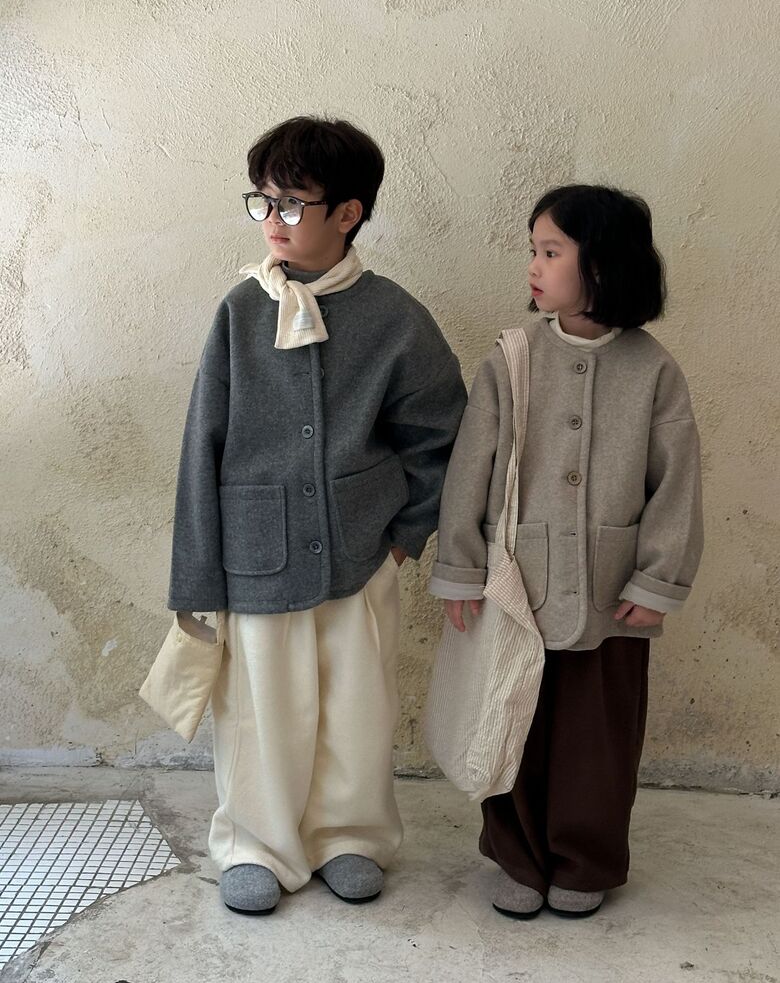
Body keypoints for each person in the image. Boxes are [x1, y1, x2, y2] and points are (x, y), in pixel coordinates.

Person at [168, 116, 467, 914]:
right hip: (255, 554)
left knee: (357, 708)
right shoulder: (240, 311)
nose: (273, 219)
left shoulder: (395, 317)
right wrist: (196, 578)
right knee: (258, 710)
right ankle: (255, 844)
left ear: (348, 213)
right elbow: (202, 446)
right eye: (262, 200)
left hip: (360, 555)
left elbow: (445, 435)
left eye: (293, 203)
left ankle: (350, 836)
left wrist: (403, 538)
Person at [429, 184, 703, 920]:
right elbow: (471, 470)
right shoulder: (512, 359)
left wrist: (657, 580)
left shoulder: (653, 369)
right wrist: (460, 570)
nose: (534, 265)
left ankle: (585, 861)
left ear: (602, 263)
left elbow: (676, 484)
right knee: (510, 724)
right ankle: (518, 857)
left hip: (612, 596)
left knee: (598, 741)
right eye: (534, 250)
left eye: (551, 251)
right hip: (518, 585)